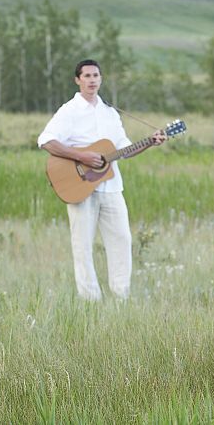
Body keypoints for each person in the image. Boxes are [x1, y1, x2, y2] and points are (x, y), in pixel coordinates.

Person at [38, 59, 166, 301]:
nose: (92, 80)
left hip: (112, 186)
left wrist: (150, 142)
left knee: (121, 240)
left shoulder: (110, 113)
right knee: (82, 245)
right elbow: (46, 141)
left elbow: (124, 149)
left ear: (101, 78)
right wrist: (81, 155)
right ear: (78, 80)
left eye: (96, 75)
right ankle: (90, 301)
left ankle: (121, 297)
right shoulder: (69, 111)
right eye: (86, 76)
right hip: (79, 186)